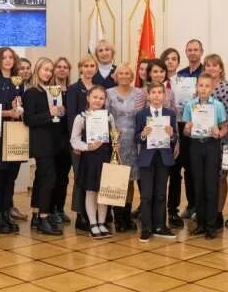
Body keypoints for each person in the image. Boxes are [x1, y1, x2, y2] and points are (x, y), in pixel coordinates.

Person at [0, 47, 26, 234]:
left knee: (11, 177)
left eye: (11, 57)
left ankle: (6, 212)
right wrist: (8, 112)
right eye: (4, 57)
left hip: (15, 133)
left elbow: (20, 105)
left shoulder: (19, 82)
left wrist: (20, 110)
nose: (8, 60)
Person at [182, 72, 228, 240]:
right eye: (201, 85)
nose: (203, 88)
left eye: (207, 86)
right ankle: (200, 224)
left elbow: (224, 128)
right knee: (198, 185)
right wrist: (187, 129)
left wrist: (219, 133)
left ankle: (211, 225)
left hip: (211, 145)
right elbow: (186, 132)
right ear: (196, 87)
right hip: (195, 146)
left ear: (212, 88)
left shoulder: (217, 106)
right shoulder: (190, 105)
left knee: (211, 185)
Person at [23, 58, 64, 236]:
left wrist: (60, 112)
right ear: (37, 70)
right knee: (49, 179)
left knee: (41, 178)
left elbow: (53, 117)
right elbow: (29, 119)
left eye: (50, 70)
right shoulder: (32, 92)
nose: (48, 73)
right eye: (45, 69)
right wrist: (50, 113)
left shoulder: (52, 91)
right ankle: (44, 218)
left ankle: (36, 215)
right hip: (41, 142)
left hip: (52, 141)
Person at [71, 85, 116, 239]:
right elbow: (74, 140)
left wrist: (117, 139)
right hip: (90, 158)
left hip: (105, 157)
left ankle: (102, 222)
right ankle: (92, 223)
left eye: (101, 98)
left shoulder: (109, 116)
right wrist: (87, 147)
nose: (98, 100)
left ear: (105, 100)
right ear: (88, 98)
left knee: (103, 191)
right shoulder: (81, 117)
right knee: (91, 191)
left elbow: (113, 136)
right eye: (95, 97)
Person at [135, 82, 178, 242]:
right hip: (147, 159)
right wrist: (144, 134)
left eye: (160, 92)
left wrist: (172, 134)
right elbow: (136, 137)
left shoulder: (170, 114)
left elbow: (174, 138)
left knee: (161, 194)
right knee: (146, 195)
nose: (157, 95)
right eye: (153, 92)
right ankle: (146, 227)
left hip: (164, 158)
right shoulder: (141, 114)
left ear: (164, 95)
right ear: (148, 95)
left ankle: (160, 226)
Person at [106, 64, 145, 232]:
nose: (123, 76)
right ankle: (118, 219)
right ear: (115, 76)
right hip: (116, 142)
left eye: (127, 73)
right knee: (117, 179)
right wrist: (111, 135)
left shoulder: (139, 93)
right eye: (120, 73)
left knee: (130, 180)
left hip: (135, 143)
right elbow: (104, 117)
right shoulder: (108, 93)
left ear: (131, 76)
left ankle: (127, 216)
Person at [203, 54, 228, 230]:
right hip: (203, 140)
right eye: (207, 65)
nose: (211, 68)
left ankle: (218, 213)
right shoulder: (202, 87)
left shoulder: (225, 88)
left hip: (220, 139)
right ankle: (206, 212)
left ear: (220, 68)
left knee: (220, 177)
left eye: (214, 65)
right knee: (207, 177)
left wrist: (218, 129)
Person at [66, 55, 98, 232]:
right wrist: (75, 145)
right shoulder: (73, 89)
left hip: (97, 143)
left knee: (93, 178)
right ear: (80, 68)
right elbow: (71, 117)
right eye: (86, 65)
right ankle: (80, 215)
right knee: (80, 178)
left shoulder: (99, 88)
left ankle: (94, 214)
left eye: (92, 65)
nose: (89, 68)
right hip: (80, 142)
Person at [175, 39, 205, 222]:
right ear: (186, 52)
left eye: (196, 50)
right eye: (189, 50)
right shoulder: (181, 75)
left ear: (201, 52)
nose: (193, 53)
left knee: (198, 168)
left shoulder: (205, 73)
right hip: (184, 124)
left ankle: (200, 206)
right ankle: (191, 204)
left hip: (202, 126)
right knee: (187, 167)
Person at [160, 47, 186, 228]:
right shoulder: (154, 86)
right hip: (157, 135)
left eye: (174, 59)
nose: (170, 62)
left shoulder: (185, 82)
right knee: (160, 174)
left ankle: (173, 210)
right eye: (167, 59)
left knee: (176, 173)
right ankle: (158, 208)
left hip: (178, 129)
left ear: (178, 62)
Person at [51, 56, 73, 223]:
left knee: (64, 177)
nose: (62, 69)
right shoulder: (49, 89)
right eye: (59, 66)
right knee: (52, 176)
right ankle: (50, 209)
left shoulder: (72, 90)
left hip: (68, 139)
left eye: (65, 67)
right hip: (52, 138)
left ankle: (60, 208)